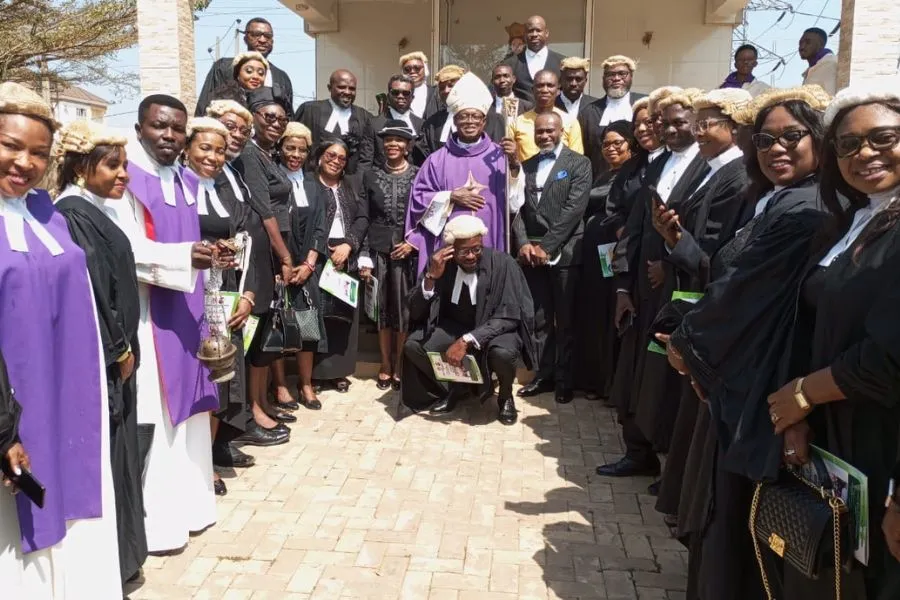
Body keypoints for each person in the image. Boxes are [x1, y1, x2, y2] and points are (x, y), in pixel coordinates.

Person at [664, 86, 830, 599]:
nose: (776, 149)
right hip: (742, 372)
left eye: (792, 136)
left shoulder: (807, 207)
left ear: (819, 139)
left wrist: (687, 345)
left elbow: (744, 288)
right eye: (765, 139)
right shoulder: (777, 198)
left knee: (743, 521)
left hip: (761, 377)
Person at [764, 81, 900, 599]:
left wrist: (799, 396)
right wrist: (798, 419)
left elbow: (886, 358)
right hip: (836, 440)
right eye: (847, 144)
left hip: (884, 445)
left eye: (882, 138)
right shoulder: (856, 218)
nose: (864, 153)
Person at [0, 82, 122, 598]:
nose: (24, 163)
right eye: (11, 146)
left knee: (68, 501)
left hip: (70, 398)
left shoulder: (45, 211)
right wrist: (5, 428)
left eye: (38, 153)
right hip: (13, 408)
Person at [110, 94, 220, 553]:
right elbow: (123, 252)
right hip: (151, 316)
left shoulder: (186, 179)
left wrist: (211, 258)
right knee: (160, 414)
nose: (170, 137)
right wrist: (182, 257)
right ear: (140, 129)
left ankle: (195, 507)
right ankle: (161, 525)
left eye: (177, 129)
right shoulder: (128, 183)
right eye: (160, 127)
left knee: (192, 415)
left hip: (188, 309)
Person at [52, 120, 147, 584]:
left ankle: (123, 557)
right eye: (113, 165)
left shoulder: (98, 209)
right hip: (108, 361)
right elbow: (93, 293)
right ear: (80, 166)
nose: (123, 174)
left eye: (125, 165)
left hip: (119, 359)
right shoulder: (72, 213)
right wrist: (120, 349)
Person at [649, 88, 751, 522]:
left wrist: (675, 241)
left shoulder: (738, 177)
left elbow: (716, 257)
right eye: (700, 121)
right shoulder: (714, 169)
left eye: (708, 122)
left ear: (737, 126)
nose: (698, 130)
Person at [598, 88, 711, 479]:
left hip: (676, 291)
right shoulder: (654, 165)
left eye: (679, 122)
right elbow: (636, 227)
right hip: (641, 291)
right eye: (662, 122)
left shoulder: (705, 167)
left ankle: (666, 465)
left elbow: (696, 234)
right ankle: (637, 453)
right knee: (635, 375)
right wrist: (622, 288)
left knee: (666, 379)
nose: (666, 128)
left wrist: (668, 262)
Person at [183, 116, 276, 494]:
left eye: (220, 151)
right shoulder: (179, 187)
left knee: (223, 376)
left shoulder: (225, 189)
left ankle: (210, 456)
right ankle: (196, 462)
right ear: (188, 148)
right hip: (188, 296)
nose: (213, 157)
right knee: (196, 378)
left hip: (227, 296)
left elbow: (247, 241)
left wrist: (250, 294)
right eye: (205, 148)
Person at [205, 97, 285, 451]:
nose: (237, 135)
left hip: (246, 277)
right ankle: (225, 439)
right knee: (225, 364)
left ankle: (236, 430)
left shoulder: (234, 171)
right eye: (229, 126)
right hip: (220, 281)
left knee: (241, 355)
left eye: (242, 130)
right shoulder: (209, 174)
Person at [401, 215, 535, 424]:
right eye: (464, 251)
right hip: (455, 326)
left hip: (495, 329)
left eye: (477, 249)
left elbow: (509, 316)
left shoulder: (503, 263)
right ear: (451, 249)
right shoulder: (440, 263)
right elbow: (416, 309)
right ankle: (455, 388)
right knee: (413, 346)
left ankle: (505, 395)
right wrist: (431, 277)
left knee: (504, 353)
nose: (472, 256)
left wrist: (467, 340)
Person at [509, 112, 591, 405]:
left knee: (565, 319)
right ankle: (543, 375)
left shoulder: (579, 164)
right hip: (532, 256)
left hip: (566, 253)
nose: (544, 136)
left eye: (549, 131)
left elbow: (574, 209)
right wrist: (523, 244)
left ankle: (565, 379)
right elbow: (517, 209)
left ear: (562, 132)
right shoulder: (527, 166)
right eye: (540, 132)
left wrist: (550, 245)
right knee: (539, 319)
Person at [406, 72, 515, 273]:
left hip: (489, 242)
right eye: (463, 116)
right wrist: (450, 197)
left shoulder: (500, 157)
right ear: (455, 121)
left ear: (484, 122)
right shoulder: (437, 160)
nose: (469, 122)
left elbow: (515, 202)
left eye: (475, 116)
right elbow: (418, 199)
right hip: (448, 246)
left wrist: (515, 166)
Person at [572, 120, 638, 401]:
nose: (611, 149)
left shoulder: (633, 176)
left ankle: (608, 384)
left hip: (614, 256)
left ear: (630, 145)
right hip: (594, 256)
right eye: (606, 144)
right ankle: (593, 379)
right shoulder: (602, 175)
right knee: (593, 314)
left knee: (609, 316)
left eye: (617, 143)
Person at [358, 121, 420, 391]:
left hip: (408, 253)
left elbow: (428, 213)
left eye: (399, 140)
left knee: (404, 311)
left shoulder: (419, 174)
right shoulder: (370, 176)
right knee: (382, 312)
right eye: (388, 139)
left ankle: (401, 364)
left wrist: (414, 242)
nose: (392, 144)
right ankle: (385, 363)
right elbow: (363, 216)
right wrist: (363, 255)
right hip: (379, 250)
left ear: (407, 146)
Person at [310, 139, 369, 394]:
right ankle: (316, 374)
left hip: (347, 253)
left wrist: (349, 245)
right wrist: (321, 249)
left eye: (341, 158)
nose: (335, 161)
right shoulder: (307, 183)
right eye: (331, 155)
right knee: (319, 315)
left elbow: (363, 217)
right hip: (317, 254)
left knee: (344, 316)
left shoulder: (352, 185)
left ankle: (339, 372)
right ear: (321, 157)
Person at [196, 17, 293, 116]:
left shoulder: (281, 77)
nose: (263, 40)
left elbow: (288, 115)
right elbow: (205, 106)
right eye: (256, 35)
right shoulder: (224, 67)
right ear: (245, 38)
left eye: (268, 36)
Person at [295, 70, 374, 175]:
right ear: (329, 87)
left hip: (351, 183)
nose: (347, 92)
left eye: (352, 89)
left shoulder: (365, 117)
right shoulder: (310, 110)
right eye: (341, 87)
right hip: (314, 180)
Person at [581, 56, 646, 177]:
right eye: (610, 74)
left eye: (622, 74)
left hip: (638, 181)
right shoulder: (588, 112)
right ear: (603, 79)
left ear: (631, 76)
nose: (616, 78)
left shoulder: (644, 106)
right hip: (599, 183)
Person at [506, 69, 584, 163]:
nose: (544, 90)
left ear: (558, 90)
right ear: (533, 90)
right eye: (540, 86)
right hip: (527, 176)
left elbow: (577, 161)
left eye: (550, 85)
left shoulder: (570, 122)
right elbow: (510, 159)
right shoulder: (517, 123)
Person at [504, 15, 565, 103]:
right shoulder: (510, 64)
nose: (534, 34)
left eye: (538, 30)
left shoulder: (562, 62)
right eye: (530, 31)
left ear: (546, 33)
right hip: (521, 115)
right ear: (524, 34)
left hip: (553, 115)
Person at [370, 75, 424, 167]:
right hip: (382, 178)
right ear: (388, 95)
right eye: (395, 92)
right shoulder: (374, 124)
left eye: (406, 93)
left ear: (412, 97)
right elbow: (366, 161)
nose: (400, 96)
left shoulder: (422, 124)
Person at [399, 51, 437, 119]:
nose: (412, 71)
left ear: (425, 70)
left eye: (417, 68)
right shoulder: (396, 94)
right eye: (407, 69)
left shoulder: (436, 93)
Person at [799, 27, 838, 94]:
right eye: (800, 43)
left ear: (821, 44)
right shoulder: (810, 70)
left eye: (808, 43)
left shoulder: (830, 64)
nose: (802, 47)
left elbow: (832, 98)